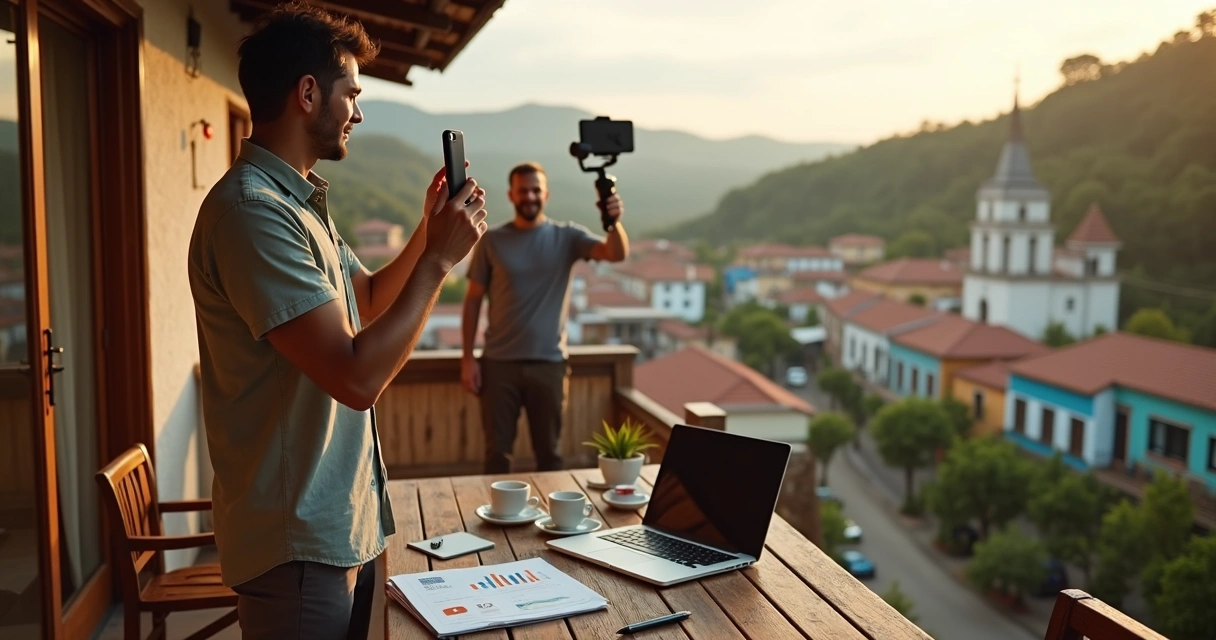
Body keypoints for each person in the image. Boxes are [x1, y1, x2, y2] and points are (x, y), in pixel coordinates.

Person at [187, 4, 486, 638]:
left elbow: (369, 297)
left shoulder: (297, 203)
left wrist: (427, 234)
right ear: (307, 94)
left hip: (339, 525)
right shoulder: (253, 214)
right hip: (296, 545)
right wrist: (439, 261)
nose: (358, 112)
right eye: (351, 93)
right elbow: (355, 379)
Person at [460, 162, 629, 474]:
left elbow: (615, 254)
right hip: (498, 366)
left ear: (546, 194)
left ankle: (551, 509)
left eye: (535, 190)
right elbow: (472, 300)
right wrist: (468, 358)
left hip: (549, 364)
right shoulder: (491, 240)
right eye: (523, 190)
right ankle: (496, 508)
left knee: (550, 456)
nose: (529, 196)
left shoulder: (567, 237)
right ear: (511, 195)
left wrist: (613, 222)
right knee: (496, 456)